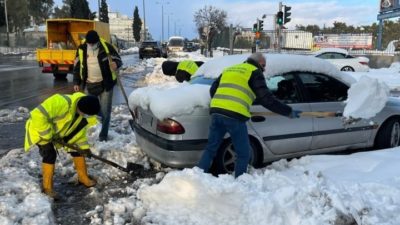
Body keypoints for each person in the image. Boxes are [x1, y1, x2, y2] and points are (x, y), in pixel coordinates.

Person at [197, 53, 302, 178]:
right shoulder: (254, 72)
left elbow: (213, 90)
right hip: (235, 116)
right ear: (258, 63)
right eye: (263, 66)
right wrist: (287, 111)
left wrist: (224, 104)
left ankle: (197, 176)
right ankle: (240, 182)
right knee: (243, 153)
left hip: (216, 112)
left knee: (211, 148)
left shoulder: (230, 69)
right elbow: (266, 99)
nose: (264, 69)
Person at [24, 93, 101, 198]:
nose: (86, 116)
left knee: (77, 151)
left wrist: (84, 148)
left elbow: (79, 134)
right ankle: (47, 188)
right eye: (85, 113)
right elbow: (37, 114)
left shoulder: (82, 114)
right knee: (50, 154)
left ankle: (83, 178)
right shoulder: (61, 102)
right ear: (80, 108)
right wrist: (47, 135)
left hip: (59, 134)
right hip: (40, 130)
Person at [73, 30, 122, 142]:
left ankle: (103, 136)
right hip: (88, 84)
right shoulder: (82, 49)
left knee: (106, 112)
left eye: (93, 43)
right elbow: (76, 67)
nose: (91, 45)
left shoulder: (107, 48)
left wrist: (116, 64)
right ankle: (97, 120)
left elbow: (118, 59)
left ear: (98, 41)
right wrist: (76, 82)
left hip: (105, 84)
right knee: (87, 109)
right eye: (89, 43)